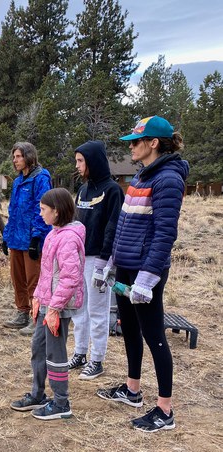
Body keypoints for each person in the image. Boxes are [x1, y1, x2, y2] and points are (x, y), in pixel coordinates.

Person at [96, 116, 189, 432]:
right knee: (129, 330)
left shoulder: (168, 180)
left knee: (154, 336)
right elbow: (123, 227)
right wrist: (110, 263)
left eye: (136, 142)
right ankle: (132, 390)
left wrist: (147, 280)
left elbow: (165, 234)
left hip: (145, 272)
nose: (131, 147)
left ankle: (165, 410)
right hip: (126, 266)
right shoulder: (139, 178)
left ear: (154, 144)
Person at [10, 188, 85, 420]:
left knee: (55, 354)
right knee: (38, 348)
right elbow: (47, 275)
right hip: (47, 304)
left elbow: (70, 277)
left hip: (58, 308)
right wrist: (38, 298)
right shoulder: (53, 233)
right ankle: (38, 394)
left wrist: (53, 307)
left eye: (43, 209)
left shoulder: (68, 239)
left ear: (57, 211)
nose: (40, 213)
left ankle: (62, 403)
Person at [68, 141, 124, 380]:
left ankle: (97, 359)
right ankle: (80, 353)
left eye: (81, 161)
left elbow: (113, 227)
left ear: (93, 161)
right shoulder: (82, 191)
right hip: (80, 257)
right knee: (79, 309)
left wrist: (105, 261)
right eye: (77, 161)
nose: (78, 166)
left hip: (100, 260)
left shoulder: (112, 191)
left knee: (98, 311)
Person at [1, 142, 52, 333]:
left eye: (19, 156)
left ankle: (36, 316)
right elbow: (13, 211)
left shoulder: (41, 178)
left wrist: (36, 237)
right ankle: (22, 311)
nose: (15, 160)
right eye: (14, 157)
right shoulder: (17, 181)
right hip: (16, 238)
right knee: (18, 278)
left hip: (32, 239)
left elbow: (43, 209)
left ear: (29, 156)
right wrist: (6, 237)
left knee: (35, 279)